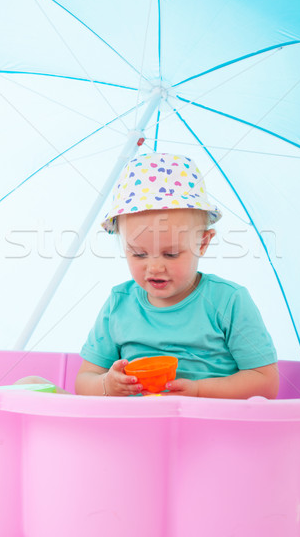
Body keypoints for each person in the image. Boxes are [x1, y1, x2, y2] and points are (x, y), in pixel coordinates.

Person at [75, 152, 279, 398]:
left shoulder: (228, 301)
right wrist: (107, 384)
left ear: (202, 243)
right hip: (134, 426)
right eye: (139, 254)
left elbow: (266, 383)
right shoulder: (119, 303)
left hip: (209, 426)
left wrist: (199, 390)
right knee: (34, 383)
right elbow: (84, 381)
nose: (154, 268)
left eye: (170, 254)